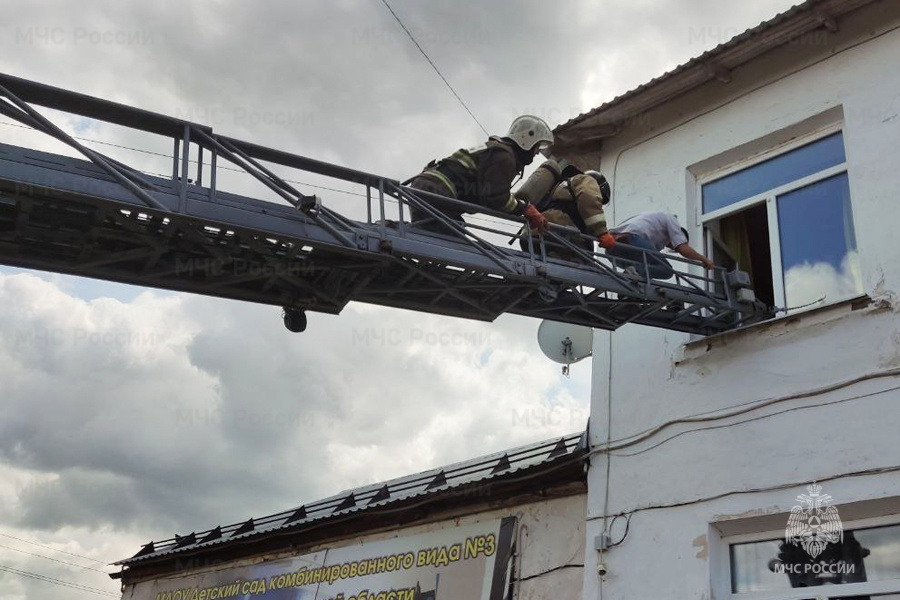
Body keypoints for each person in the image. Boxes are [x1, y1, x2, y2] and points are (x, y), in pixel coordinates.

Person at [405, 115, 553, 234]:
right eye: (537, 146)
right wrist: (525, 208)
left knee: (432, 238)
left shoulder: (497, 150)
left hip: (428, 187)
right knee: (455, 247)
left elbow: (490, 192)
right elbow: (496, 197)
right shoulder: (505, 156)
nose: (537, 152)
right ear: (527, 139)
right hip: (438, 191)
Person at [516, 158, 612, 259]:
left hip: (531, 233)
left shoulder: (559, 186)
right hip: (558, 234)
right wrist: (602, 232)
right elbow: (588, 198)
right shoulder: (585, 180)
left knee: (540, 268)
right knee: (583, 266)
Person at [603, 212, 714, 279]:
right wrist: (703, 259)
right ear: (679, 234)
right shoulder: (672, 220)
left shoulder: (653, 226)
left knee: (647, 269)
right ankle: (634, 274)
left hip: (612, 249)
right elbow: (682, 248)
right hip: (633, 239)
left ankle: (630, 288)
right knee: (666, 270)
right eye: (673, 245)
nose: (671, 247)